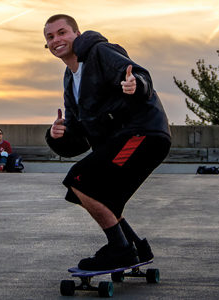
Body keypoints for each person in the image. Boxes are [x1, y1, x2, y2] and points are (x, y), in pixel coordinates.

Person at [43, 14, 172, 271]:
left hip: (142, 132)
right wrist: (57, 135)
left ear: (76, 35)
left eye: (62, 32)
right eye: (50, 37)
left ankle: (120, 250)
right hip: (123, 140)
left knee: (79, 180)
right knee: (99, 195)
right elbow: (79, 136)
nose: (56, 40)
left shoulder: (100, 52)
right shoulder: (70, 78)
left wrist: (136, 85)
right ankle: (135, 247)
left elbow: (137, 74)